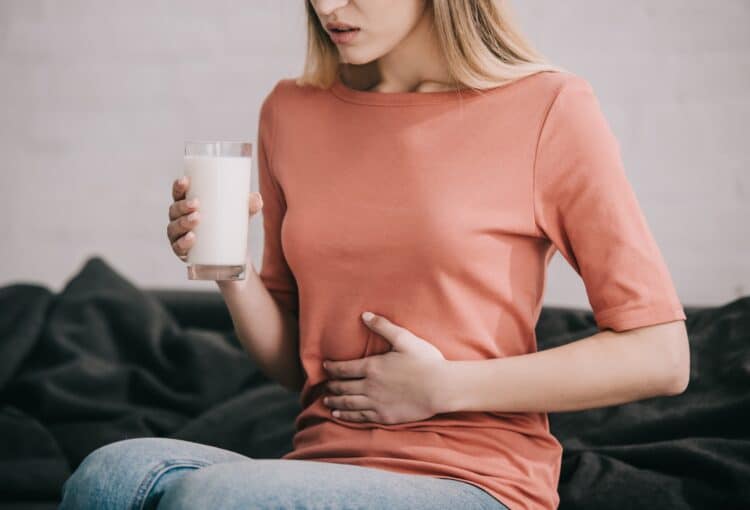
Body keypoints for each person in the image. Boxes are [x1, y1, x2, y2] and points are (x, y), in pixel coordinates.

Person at [59, 0, 691, 509]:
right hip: (317, 462)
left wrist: (445, 388)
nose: (327, 6)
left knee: (218, 497)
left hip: (476, 479)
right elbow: (300, 366)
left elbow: (661, 356)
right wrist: (231, 271)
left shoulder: (549, 107)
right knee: (109, 474)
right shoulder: (290, 110)